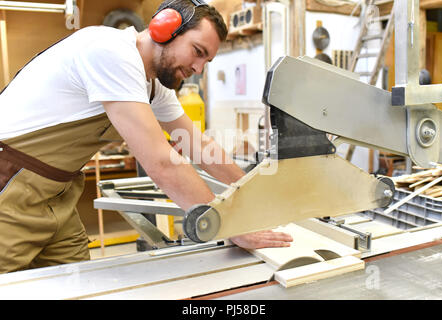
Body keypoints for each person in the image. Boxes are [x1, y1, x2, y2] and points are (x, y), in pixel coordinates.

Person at [0, 0, 292, 274]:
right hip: (9, 186)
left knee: (76, 283)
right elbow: (162, 163)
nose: (198, 69)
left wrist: (258, 199)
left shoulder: (154, 86)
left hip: (58, 193)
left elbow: (200, 146)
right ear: (164, 27)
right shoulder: (109, 51)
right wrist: (228, 225)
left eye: (207, 61)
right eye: (198, 51)